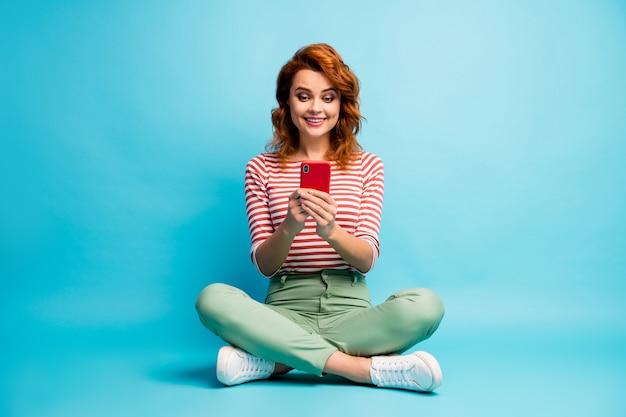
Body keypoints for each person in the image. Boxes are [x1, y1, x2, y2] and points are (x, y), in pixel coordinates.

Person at [195, 43, 445, 392]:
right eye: (303, 96)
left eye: (328, 97)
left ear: (342, 105)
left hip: (352, 312)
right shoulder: (260, 168)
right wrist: (289, 227)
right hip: (283, 311)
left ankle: (275, 361)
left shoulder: (367, 166)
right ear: (286, 103)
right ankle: (360, 369)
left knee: (425, 305)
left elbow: (366, 260)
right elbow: (265, 266)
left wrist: (331, 231)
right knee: (211, 299)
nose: (316, 108)